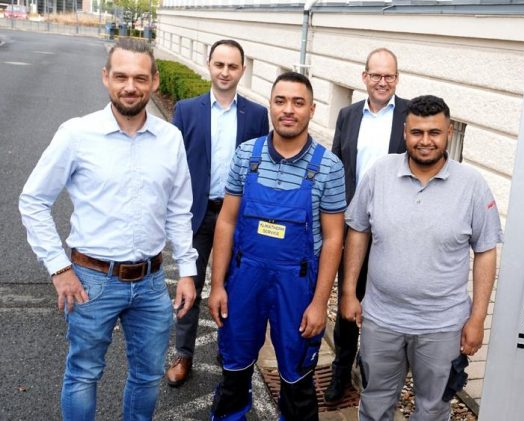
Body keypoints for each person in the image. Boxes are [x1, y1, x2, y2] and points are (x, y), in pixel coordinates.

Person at [18, 38, 197, 421]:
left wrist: (187, 270)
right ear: (105, 77)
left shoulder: (170, 139)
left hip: (151, 284)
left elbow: (179, 209)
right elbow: (33, 200)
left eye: (140, 78)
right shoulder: (77, 134)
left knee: (147, 377)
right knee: (83, 374)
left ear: (154, 81)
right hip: (91, 281)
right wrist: (59, 268)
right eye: (121, 77)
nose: (130, 86)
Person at [341, 95, 502, 420]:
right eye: (417, 132)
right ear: (405, 132)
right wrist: (347, 292)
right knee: (374, 404)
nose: (425, 141)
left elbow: (485, 251)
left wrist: (477, 319)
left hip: (442, 326)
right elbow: (358, 231)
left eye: (434, 132)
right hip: (381, 320)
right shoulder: (379, 173)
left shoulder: (472, 185)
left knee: (433, 409)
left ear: (449, 133)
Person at [207, 72, 346, 421]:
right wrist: (218, 284)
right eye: (280, 101)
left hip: (297, 288)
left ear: (312, 109)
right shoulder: (246, 156)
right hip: (245, 280)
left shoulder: (328, 167)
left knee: (297, 379)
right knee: (234, 369)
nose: (288, 110)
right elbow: (226, 222)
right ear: (270, 105)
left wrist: (319, 304)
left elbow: (334, 239)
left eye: (298, 102)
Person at [165, 39, 269, 387]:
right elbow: (174, 166)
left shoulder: (257, 115)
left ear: (242, 70)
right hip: (198, 214)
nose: (225, 72)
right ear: (209, 64)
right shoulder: (186, 110)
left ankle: (228, 349)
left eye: (232, 66)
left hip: (238, 218)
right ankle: (184, 354)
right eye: (219, 64)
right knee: (189, 285)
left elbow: (260, 168)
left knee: (235, 286)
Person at [326, 47, 409, 402]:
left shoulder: (410, 115)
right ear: (364, 77)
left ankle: (374, 374)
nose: (382, 82)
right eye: (376, 75)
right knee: (349, 299)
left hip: (395, 229)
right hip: (353, 227)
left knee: (385, 305)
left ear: (397, 79)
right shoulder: (348, 115)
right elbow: (337, 168)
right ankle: (341, 371)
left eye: (388, 76)